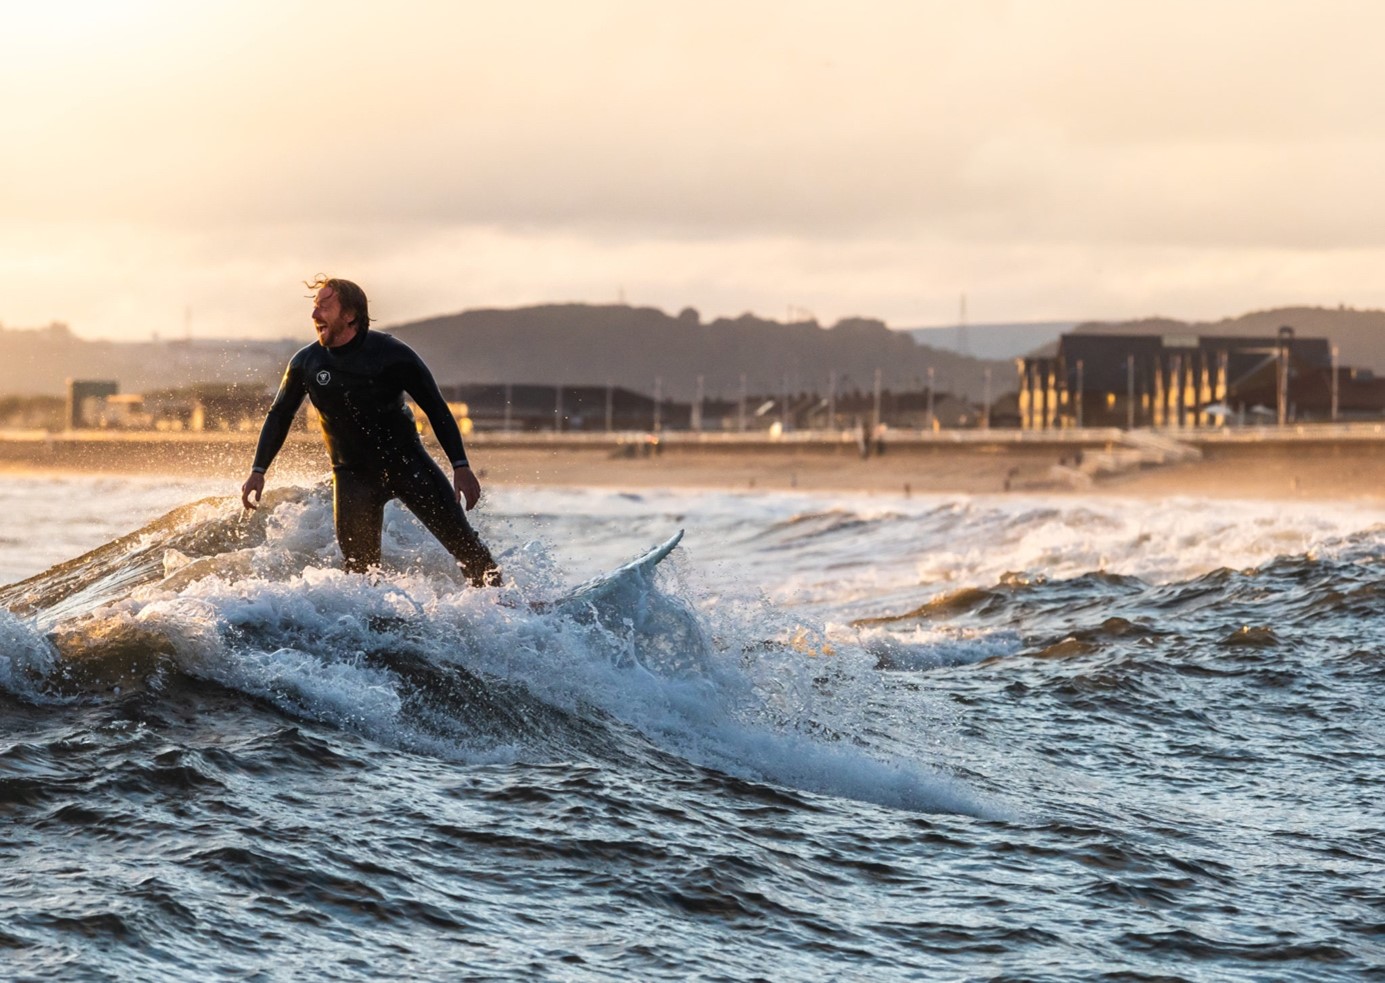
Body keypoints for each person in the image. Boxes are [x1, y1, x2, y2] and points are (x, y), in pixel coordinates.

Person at [240, 276, 501, 587]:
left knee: (469, 552)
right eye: (314, 307)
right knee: (360, 581)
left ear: (350, 314)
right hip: (351, 477)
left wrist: (460, 466)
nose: (315, 315)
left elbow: (436, 408)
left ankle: (510, 612)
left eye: (325, 307)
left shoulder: (392, 354)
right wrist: (259, 470)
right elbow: (279, 415)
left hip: (409, 466)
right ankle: (378, 633)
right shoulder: (306, 363)